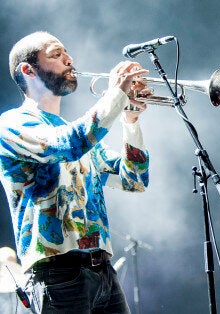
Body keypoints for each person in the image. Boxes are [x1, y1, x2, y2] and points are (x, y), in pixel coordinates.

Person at [0, 31, 150, 313]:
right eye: (56, 54)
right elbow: (69, 144)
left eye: (67, 52)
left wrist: (130, 121)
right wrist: (116, 94)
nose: (69, 59)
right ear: (28, 70)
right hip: (57, 276)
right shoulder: (11, 125)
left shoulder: (79, 135)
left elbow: (135, 180)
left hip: (104, 272)